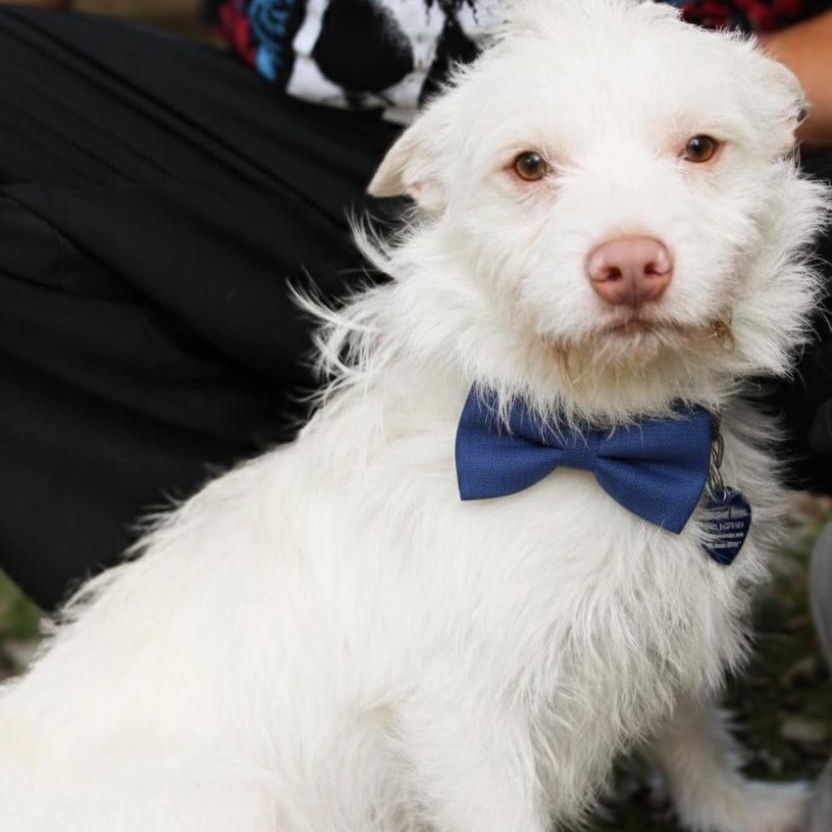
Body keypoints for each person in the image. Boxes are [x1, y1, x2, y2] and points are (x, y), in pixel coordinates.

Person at [0, 0, 830, 611]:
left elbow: (726, 114)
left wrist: (714, 105)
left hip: (761, 117)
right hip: (340, 128)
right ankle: (227, 637)